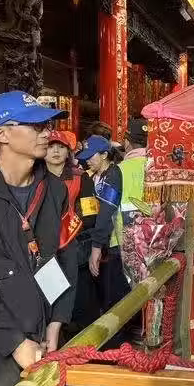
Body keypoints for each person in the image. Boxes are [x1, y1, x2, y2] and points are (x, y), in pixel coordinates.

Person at [0, 91, 76, 386]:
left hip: (47, 333)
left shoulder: (55, 189)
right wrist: (15, 343)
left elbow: (65, 256)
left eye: (47, 125)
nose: (47, 133)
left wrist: (58, 321)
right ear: (2, 134)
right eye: (35, 126)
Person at [44, 131, 100, 339]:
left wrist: (71, 228)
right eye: (51, 146)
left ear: (68, 151)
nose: (56, 151)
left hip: (74, 243)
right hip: (43, 247)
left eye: (61, 147)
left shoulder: (80, 177)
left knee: (78, 297)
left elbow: (91, 213)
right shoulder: (34, 176)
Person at [75, 135, 129, 323]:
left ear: (105, 155)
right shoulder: (95, 176)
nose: (87, 161)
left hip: (112, 245)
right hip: (104, 242)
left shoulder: (112, 176)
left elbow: (106, 212)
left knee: (112, 298)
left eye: (91, 156)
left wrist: (96, 247)